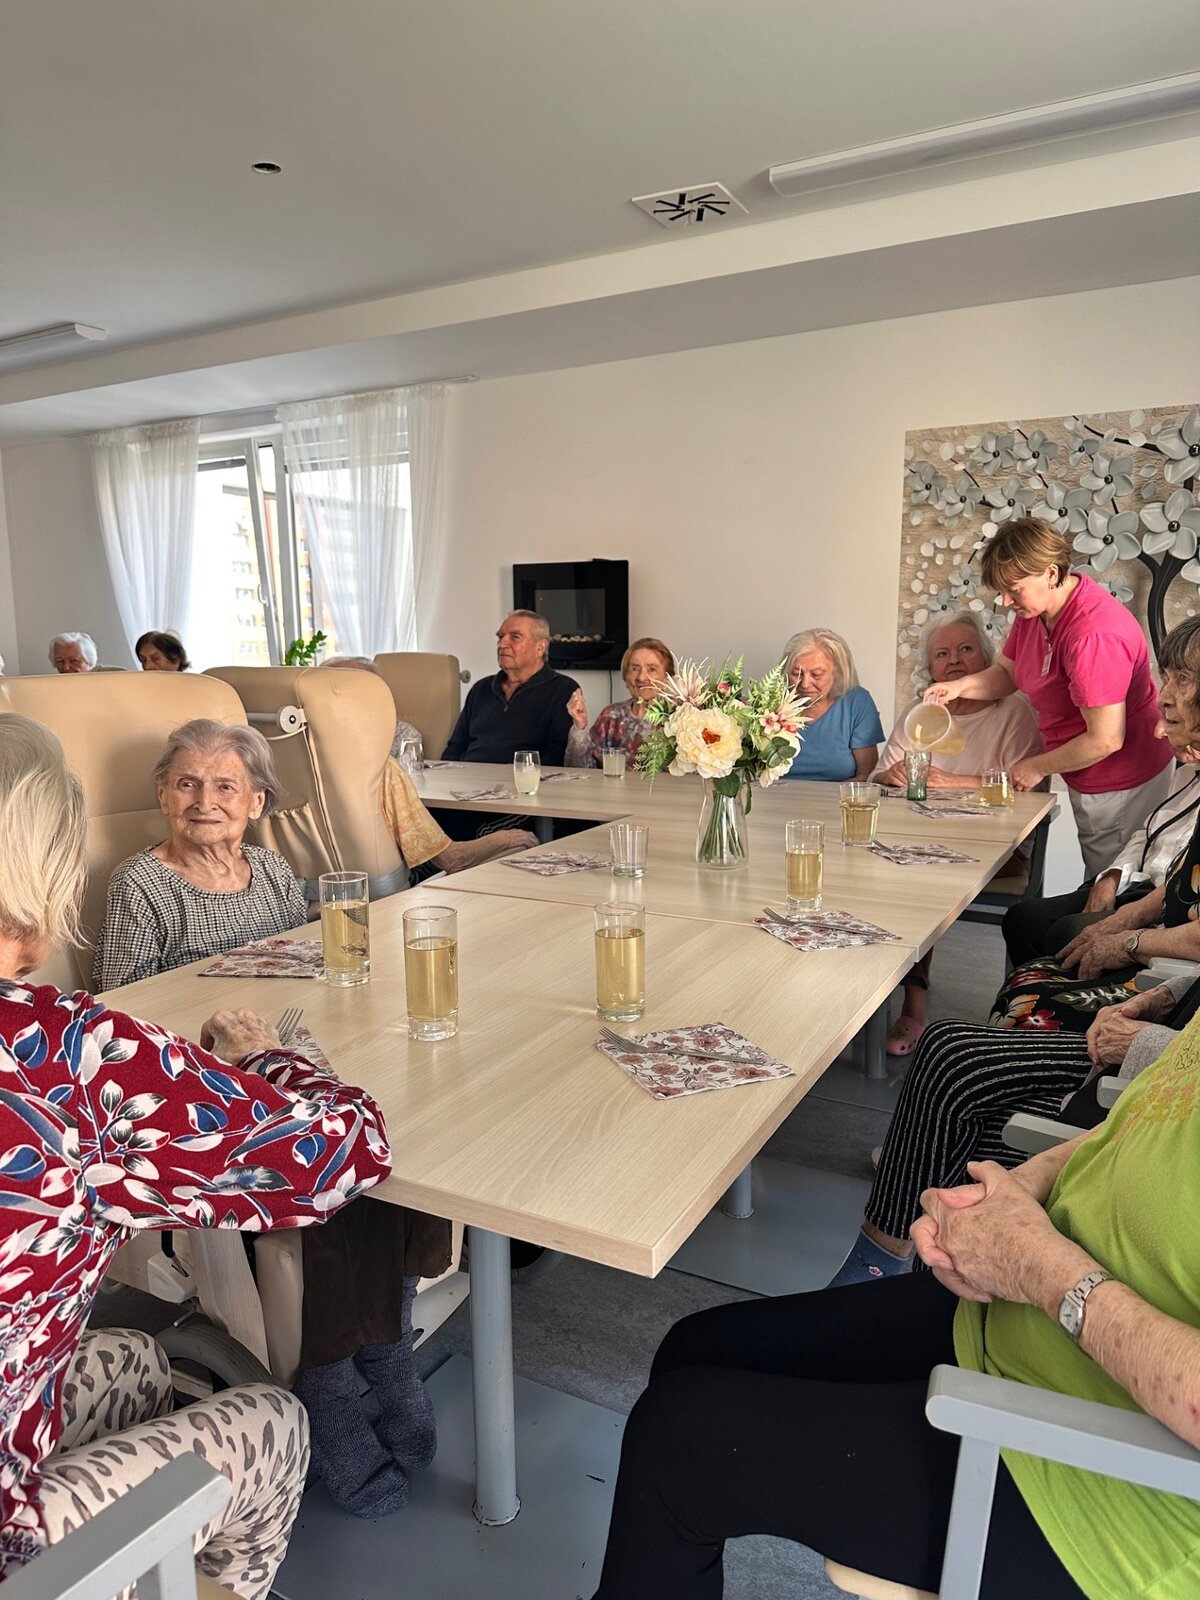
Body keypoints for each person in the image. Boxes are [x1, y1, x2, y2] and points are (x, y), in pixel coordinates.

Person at [594, 1016, 1200, 1599]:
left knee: (676, 1444)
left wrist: (1036, 1264)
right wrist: (1020, 1187)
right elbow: (1142, 1119)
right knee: (692, 1349)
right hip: (1018, 1322)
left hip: (1113, 1494)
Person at [0, 711, 393, 1596]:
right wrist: (272, 1061)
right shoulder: (65, 1056)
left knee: (141, 1361)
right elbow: (339, 1156)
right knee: (273, 1422)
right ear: (44, 871)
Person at [91, 718, 450, 1518]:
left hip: (283, 1066)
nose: (205, 800)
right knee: (321, 1169)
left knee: (394, 1129)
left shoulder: (275, 870)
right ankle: (332, 1380)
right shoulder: (140, 885)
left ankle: (386, 1341)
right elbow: (120, 1030)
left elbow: (306, 976)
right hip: (199, 1093)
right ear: (162, 794)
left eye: (225, 786)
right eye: (187, 783)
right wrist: (227, 1046)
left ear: (256, 802)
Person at [829, 620, 1200, 1286]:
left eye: (1181, 679)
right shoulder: (1189, 777)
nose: (1160, 696)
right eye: (1167, 676)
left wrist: (1134, 968)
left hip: (1170, 1044)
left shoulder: (1028, 703)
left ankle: (893, 1262)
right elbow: (1168, 880)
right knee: (1006, 995)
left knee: (955, 1050)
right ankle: (907, 1232)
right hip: (1169, 1005)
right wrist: (1122, 915)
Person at [923, 518, 1174, 878]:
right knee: (1099, 877)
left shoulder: (1093, 635)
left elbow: (1105, 739)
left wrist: (1036, 766)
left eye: (1014, 590)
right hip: (1088, 773)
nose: (1005, 601)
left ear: (1051, 573)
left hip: (1122, 781)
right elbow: (1007, 674)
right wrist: (958, 688)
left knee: (1111, 883)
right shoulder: (1037, 610)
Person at [874, 611, 1043, 1054]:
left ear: (986, 661)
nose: (953, 660)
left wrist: (957, 783)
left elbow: (1030, 788)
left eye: (965, 650)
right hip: (920, 840)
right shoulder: (921, 714)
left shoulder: (1013, 710)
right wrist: (891, 775)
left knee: (918, 875)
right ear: (930, 668)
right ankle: (864, 995)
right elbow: (878, 776)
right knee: (879, 868)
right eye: (942, 654)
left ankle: (913, 1006)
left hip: (999, 848)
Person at [317, 657, 537, 871]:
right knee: (518, 842)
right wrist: (506, 838)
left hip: (320, 883)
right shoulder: (384, 772)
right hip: (394, 883)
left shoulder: (305, 764)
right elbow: (453, 859)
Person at [1002, 762, 1200, 967]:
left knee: (1067, 932)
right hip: (1138, 884)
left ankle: (1062, 982)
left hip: (1170, 901)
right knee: (1024, 919)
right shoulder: (1185, 775)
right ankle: (1035, 980)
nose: (1160, 733)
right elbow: (1146, 835)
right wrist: (1112, 876)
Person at [438, 610, 579, 840]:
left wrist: (504, 786)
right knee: (418, 822)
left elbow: (556, 758)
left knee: (475, 833)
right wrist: (446, 785)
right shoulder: (481, 689)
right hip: (466, 793)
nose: (502, 643)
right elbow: (456, 746)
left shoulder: (563, 690)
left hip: (517, 798)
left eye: (515, 636)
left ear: (540, 647)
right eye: (500, 636)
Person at [778, 627, 884, 781]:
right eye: (796, 674)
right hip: (778, 794)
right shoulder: (770, 703)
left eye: (817, 674)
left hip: (838, 796)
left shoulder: (857, 702)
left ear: (838, 672)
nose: (805, 684)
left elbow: (866, 778)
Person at [565, 636, 675, 768]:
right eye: (635, 669)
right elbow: (580, 770)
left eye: (652, 669)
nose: (641, 677)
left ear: (667, 678)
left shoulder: (681, 717)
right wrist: (580, 727)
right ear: (626, 676)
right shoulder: (611, 716)